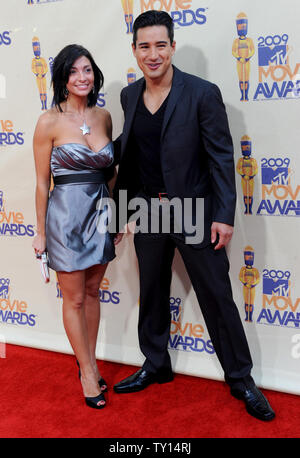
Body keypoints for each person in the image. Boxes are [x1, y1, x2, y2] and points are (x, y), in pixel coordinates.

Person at [112, 10, 275, 422]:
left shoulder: (202, 92)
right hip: (147, 211)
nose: (153, 54)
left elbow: (222, 158)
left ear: (172, 46)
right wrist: (120, 212)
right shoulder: (129, 96)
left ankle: (241, 378)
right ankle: (155, 363)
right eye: (144, 46)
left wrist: (223, 214)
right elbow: (129, 158)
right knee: (151, 292)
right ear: (134, 50)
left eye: (160, 45)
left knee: (217, 296)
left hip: (194, 211)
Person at [32, 44, 118, 409]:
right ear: (62, 78)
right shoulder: (48, 121)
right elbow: (41, 182)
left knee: (95, 292)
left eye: (87, 70)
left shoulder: (104, 117)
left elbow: (110, 173)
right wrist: (39, 231)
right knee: (75, 297)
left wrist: (112, 213)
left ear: (94, 74)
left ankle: (90, 362)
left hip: (99, 214)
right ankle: (86, 373)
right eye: (73, 72)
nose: (81, 78)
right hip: (65, 217)